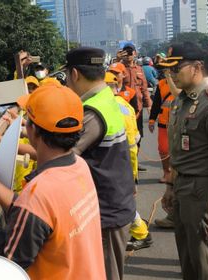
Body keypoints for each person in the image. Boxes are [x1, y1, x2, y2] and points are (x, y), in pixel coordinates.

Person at [0, 84, 106, 279]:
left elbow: (6, 266)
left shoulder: (40, 193)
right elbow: (37, 215)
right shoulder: (79, 166)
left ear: (34, 131)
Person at [65, 47, 136, 280]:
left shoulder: (92, 112)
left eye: (66, 75)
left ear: (74, 74)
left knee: (105, 273)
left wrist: (18, 146)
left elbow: (62, 156)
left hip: (106, 211)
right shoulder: (106, 98)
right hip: (117, 201)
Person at [159, 42, 208, 280]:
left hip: (202, 190)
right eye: (169, 68)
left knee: (203, 259)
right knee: (187, 256)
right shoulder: (181, 101)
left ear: (197, 67)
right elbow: (178, 151)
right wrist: (170, 186)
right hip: (182, 186)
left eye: (177, 67)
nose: (172, 73)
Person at [105, 73, 152, 251]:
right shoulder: (124, 105)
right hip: (127, 161)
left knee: (120, 201)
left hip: (119, 163)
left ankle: (142, 233)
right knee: (122, 200)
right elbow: (136, 136)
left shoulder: (110, 108)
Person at [117, 43, 152, 172]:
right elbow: (110, 77)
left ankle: (134, 161)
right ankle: (123, 163)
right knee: (122, 135)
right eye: (126, 52)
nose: (129, 55)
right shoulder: (119, 67)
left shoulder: (139, 69)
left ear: (135, 53)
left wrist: (149, 105)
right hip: (122, 108)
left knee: (137, 135)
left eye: (131, 52)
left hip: (137, 107)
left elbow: (144, 88)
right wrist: (117, 60)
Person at [148, 66, 175, 184]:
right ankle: (167, 172)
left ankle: (177, 174)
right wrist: (152, 120)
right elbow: (157, 103)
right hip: (164, 122)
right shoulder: (161, 84)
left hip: (179, 122)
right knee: (164, 149)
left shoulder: (183, 83)